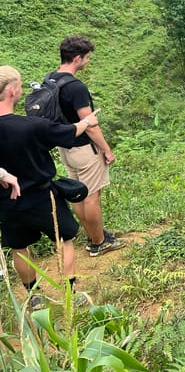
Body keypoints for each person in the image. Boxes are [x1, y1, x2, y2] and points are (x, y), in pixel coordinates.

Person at [0, 65, 101, 308]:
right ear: (12, 91)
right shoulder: (31, 126)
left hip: (5, 200)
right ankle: (69, 292)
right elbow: (68, 132)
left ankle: (33, 296)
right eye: (21, 85)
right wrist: (87, 121)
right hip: (42, 196)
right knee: (64, 238)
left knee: (19, 246)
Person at [52, 36, 123, 257]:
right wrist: (107, 149)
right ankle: (98, 242)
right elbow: (90, 125)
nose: (88, 62)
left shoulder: (51, 80)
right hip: (85, 148)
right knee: (92, 195)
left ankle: (94, 234)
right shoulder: (76, 87)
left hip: (65, 147)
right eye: (87, 58)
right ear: (77, 58)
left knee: (78, 194)